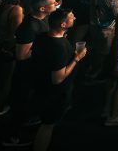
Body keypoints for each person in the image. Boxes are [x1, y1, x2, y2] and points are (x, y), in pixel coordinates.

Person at [32, 8, 85, 151]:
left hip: (41, 88)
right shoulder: (58, 47)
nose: (74, 18)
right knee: (47, 125)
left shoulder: (43, 37)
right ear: (62, 24)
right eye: (71, 17)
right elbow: (58, 78)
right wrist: (76, 58)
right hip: (55, 94)